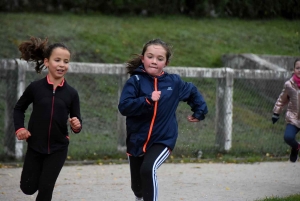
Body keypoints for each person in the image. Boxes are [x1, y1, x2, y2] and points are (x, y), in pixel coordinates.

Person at [118, 38, 208, 201]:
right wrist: (147, 100)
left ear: (165, 63)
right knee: (137, 188)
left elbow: (192, 91)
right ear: (143, 58)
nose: (154, 61)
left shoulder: (173, 83)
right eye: (150, 57)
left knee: (148, 169)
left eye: (160, 59)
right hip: (137, 140)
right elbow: (124, 106)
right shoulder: (135, 82)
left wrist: (199, 111)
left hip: (163, 139)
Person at [14, 36, 82, 201]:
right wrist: (20, 128)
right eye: (57, 60)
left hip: (58, 148)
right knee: (28, 188)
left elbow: (77, 122)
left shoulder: (71, 93)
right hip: (36, 146)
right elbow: (19, 108)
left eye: (66, 61)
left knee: (46, 188)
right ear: (46, 62)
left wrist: (76, 124)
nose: (62, 64)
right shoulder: (35, 88)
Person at [272, 58, 300, 162]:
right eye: (298, 68)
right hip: (293, 118)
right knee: (288, 137)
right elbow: (281, 100)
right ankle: (296, 147)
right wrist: (276, 113)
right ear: (294, 69)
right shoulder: (289, 85)